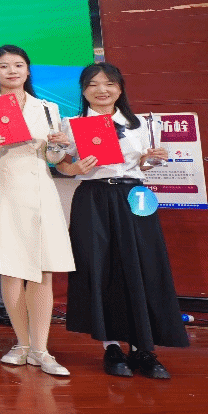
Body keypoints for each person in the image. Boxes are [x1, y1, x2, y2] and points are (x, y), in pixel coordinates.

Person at [56, 62, 189, 378]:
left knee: (141, 266)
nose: (101, 90)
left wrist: (150, 160)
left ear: (120, 87)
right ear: (83, 91)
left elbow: (141, 165)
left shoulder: (139, 124)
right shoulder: (71, 124)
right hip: (93, 197)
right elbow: (61, 164)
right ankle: (111, 347)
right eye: (93, 84)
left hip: (134, 198)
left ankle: (143, 349)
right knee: (99, 267)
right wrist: (73, 168)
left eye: (109, 83)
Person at [0, 45, 75, 375]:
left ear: (27, 70)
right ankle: (22, 344)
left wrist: (57, 146)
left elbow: (54, 158)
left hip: (40, 191)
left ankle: (41, 350)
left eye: (18, 65)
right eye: (3, 66)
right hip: (3, 190)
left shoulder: (48, 108)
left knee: (43, 270)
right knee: (10, 269)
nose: (11, 71)